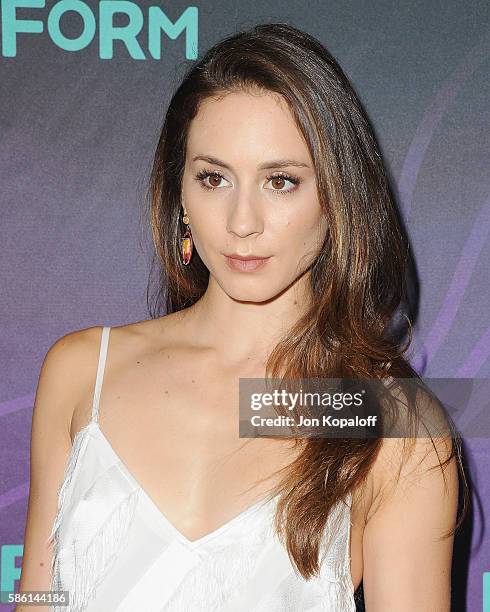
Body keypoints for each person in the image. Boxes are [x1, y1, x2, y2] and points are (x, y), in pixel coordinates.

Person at [17, 22, 468, 612]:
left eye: (281, 181)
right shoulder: (82, 371)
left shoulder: (392, 427)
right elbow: (36, 596)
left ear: (337, 197)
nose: (241, 221)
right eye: (214, 178)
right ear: (179, 192)